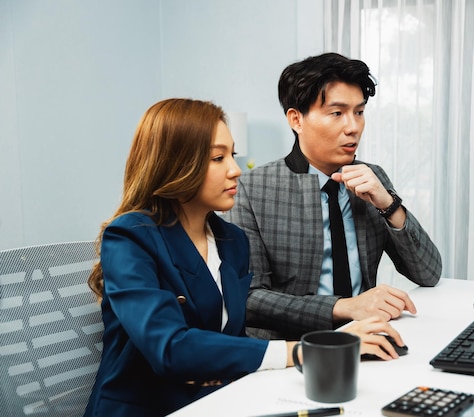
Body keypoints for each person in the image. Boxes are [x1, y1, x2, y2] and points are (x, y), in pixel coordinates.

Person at [84, 98, 406, 417]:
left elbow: (226, 342)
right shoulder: (130, 237)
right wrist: (307, 351)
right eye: (217, 158)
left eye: (232, 155)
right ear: (174, 164)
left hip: (218, 401)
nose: (235, 170)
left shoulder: (231, 240)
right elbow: (171, 349)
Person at [225, 53, 443, 340]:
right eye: (337, 113)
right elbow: (250, 299)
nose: (352, 127)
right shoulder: (252, 189)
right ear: (296, 120)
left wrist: (388, 204)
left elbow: (428, 273)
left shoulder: (372, 177)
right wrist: (344, 307)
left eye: (359, 112)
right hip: (290, 352)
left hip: (370, 340)